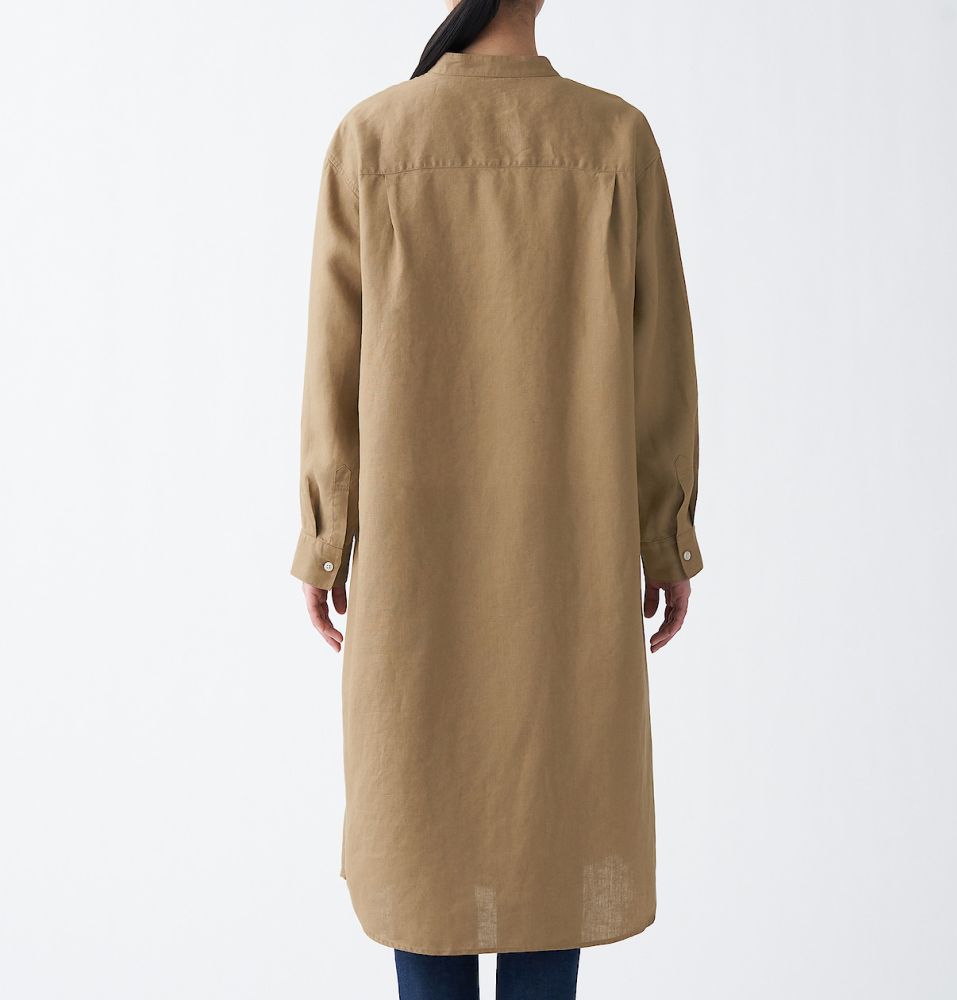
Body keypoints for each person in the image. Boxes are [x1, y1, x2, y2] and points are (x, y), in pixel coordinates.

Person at [291, 0, 703, 996]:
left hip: (414, 594)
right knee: (551, 856)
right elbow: (660, 375)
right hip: (567, 588)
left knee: (424, 859)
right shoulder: (614, 141)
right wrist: (665, 539)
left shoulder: (372, 141)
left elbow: (331, 376)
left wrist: (324, 540)